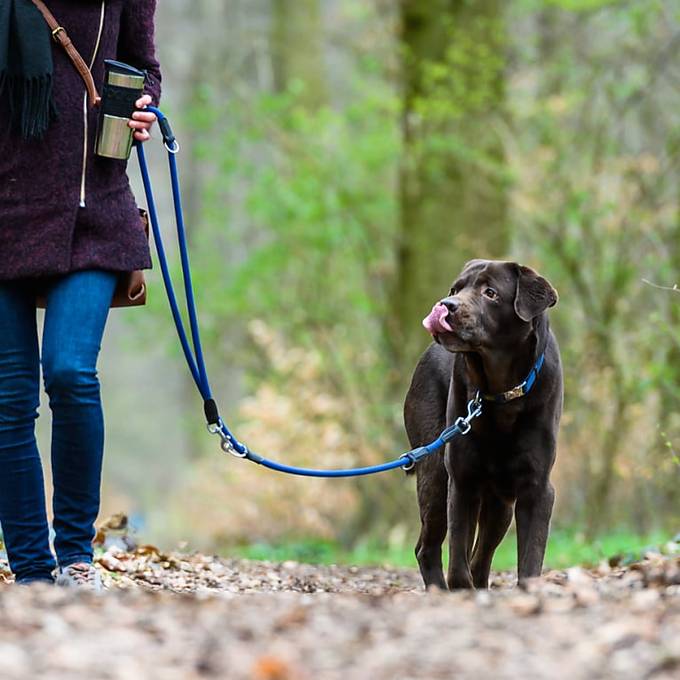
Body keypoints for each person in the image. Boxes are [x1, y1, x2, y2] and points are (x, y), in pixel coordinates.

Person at [0, 0, 162, 589]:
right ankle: (33, 572)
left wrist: (143, 109)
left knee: (69, 371)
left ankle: (74, 558)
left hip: (92, 210)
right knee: (9, 401)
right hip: (4, 210)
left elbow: (144, 67)